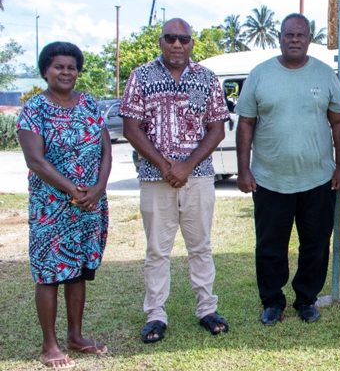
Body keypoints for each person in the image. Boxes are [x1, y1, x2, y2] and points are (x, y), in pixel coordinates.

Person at [121, 18, 230, 343]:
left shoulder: (207, 79)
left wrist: (186, 165)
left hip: (197, 179)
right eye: (171, 38)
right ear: (161, 41)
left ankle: (207, 309)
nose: (178, 45)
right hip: (156, 180)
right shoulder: (140, 76)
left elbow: (217, 128)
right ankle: (156, 315)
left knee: (201, 247)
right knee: (157, 250)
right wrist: (166, 165)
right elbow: (131, 128)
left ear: (192, 43)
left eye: (184, 39)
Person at [235, 13, 340, 325]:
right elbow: (246, 123)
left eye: (300, 35)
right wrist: (244, 170)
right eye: (288, 35)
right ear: (279, 38)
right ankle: (272, 301)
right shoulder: (260, 75)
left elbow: (339, 123)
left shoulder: (325, 76)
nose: (294, 39)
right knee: (270, 246)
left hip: (318, 179)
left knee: (315, 245)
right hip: (270, 180)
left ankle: (306, 300)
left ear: (309, 38)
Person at [17, 41, 111, 369]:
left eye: (71, 67)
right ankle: (50, 345)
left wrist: (98, 188)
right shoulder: (34, 110)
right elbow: (36, 161)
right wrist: (74, 190)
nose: (66, 72)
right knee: (49, 274)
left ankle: (76, 336)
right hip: (51, 206)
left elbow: (105, 151)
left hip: (89, 205)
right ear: (45, 70)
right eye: (59, 66)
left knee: (78, 272)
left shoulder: (89, 104)